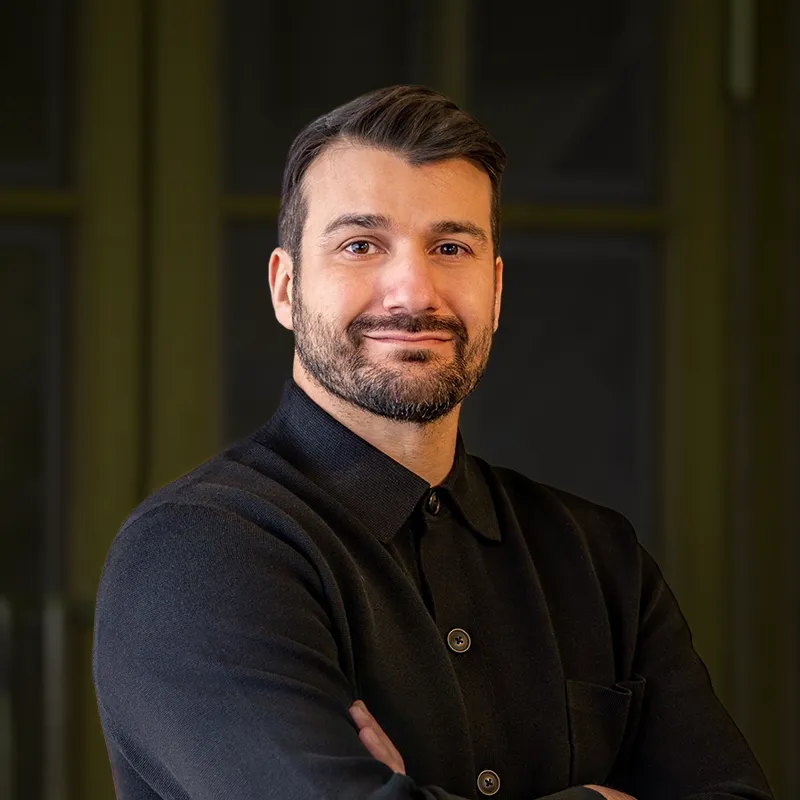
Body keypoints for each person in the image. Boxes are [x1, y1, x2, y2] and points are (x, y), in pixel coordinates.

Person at [92, 85, 772, 800]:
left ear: (496, 290)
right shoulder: (195, 553)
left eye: (451, 247)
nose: (414, 293)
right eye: (361, 245)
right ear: (286, 288)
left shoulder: (599, 559)